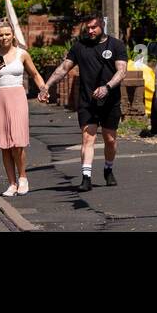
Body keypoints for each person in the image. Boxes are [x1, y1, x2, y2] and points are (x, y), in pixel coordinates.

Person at [40, 14, 127, 192]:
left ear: (102, 25)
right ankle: (86, 177)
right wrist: (46, 86)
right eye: (87, 28)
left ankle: (108, 169)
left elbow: (122, 71)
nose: (90, 31)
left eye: (93, 27)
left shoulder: (116, 45)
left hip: (110, 100)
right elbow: (63, 68)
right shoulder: (80, 46)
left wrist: (107, 87)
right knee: (88, 137)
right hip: (88, 101)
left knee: (110, 139)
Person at [0, 20, 46, 197]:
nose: (4, 37)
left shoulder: (22, 54)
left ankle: (23, 178)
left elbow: (35, 74)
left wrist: (43, 89)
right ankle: (11, 183)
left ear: (12, 35)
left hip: (18, 97)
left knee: (18, 142)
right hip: (0, 99)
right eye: (1, 35)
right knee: (5, 144)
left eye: (7, 34)